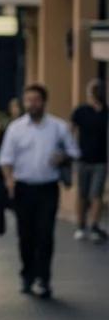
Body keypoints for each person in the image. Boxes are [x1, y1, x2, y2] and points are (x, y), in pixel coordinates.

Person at [0, 83, 80, 299]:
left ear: (44, 102)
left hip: (47, 188)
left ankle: (43, 278)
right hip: (23, 188)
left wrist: (63, 157)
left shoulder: (58, 127)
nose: (32, 104)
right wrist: (9, 180)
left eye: (36, 100)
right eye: (29, 100)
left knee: (45, 234)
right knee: (26, 235)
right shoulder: (16, 128)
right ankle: (27, 274)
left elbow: (74, 151)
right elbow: (5, 159)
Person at [70, 78, 107, 243]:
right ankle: (80, 225)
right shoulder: (81, 111)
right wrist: (70, 150)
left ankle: (94, 226)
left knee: (96, 194)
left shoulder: (106, 112)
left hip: (101, 160)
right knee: (82, 194)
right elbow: (70, 130)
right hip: (83, 158)